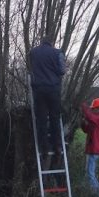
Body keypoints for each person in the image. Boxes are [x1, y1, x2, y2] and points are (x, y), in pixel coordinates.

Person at [30, 33, 66, 167]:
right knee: (55, 118)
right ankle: (57, 146)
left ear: (42, 42)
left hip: (39, 90)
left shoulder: (33, 52)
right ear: (52, 43)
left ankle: (44, 148)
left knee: (41, 119)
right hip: (53, 89)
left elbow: (32, 69)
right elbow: (62, 70)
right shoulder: (57, 53)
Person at [80, 98, 99, 197]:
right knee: (88, 173)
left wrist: (83, 105)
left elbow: (90, 116)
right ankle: (88, 192)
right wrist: (83, 121)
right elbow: (86, 129)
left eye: (93, 109)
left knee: (90, 173)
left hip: (94, 150)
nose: (92, 110)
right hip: (91, 149)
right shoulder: (96, 119)